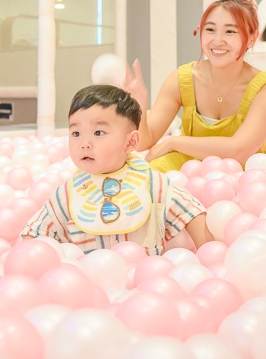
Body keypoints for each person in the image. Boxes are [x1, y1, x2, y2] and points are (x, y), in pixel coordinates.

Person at [21, 84, 213, 254]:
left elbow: (191, 211)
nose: (84, 143)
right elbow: (34, 232)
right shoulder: (69, 193)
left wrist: (208, 255)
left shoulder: (152, 184)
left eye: (98, 132)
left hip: (145, 284)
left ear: (130, 142)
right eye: (76, 133)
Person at [124, 0, 266, 173]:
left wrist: (175, 141)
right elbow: (144, 141)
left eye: (230, 31)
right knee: (150, 175)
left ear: (252, 37)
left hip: (247, 171)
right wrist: (138, 107)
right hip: (190, 164)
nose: (217, 40)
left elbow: (239, 150)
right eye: (210, 29)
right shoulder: (181, 80)